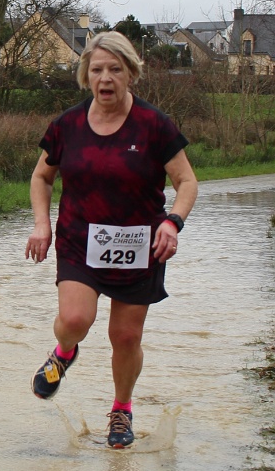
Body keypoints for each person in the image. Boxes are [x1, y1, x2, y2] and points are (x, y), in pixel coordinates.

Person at [24, 31, 198, 449]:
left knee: (126, 337)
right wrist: (42, 225)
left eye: (115, 69)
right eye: (97, 69)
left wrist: (173, 222)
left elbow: (187, 181)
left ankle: (121, 410)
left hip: (139, 244)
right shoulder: (67, 125)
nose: (106, 78)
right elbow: (41, 176)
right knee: (74, 321)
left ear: (130, 73)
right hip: (79, 239)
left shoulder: (154, 125)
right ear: (86, 74)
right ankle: (64, 352)